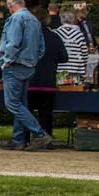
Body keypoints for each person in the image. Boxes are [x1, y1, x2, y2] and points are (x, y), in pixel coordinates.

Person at [0, 0, 51, 150]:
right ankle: (18, 139)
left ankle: (40, 134)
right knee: (21, 103)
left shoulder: (16, 19)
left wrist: (6, 61)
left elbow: (13, 43)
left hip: (15, 65)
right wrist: (33, 60)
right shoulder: (34, 20)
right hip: (29, 66)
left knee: (12, 103)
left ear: (11, 4)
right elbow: (41, 47)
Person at [32, 10, 66, 143]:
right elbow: (64, 57)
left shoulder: (29, 37)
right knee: (46, 113)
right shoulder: (55, 37)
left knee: (27, 111)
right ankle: (47, 138)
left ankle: (24, 138)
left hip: (31, 80)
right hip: (48, 81)